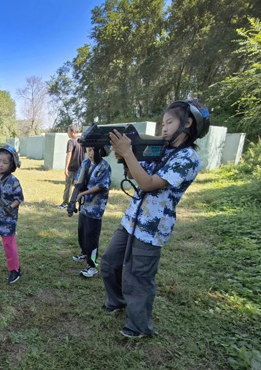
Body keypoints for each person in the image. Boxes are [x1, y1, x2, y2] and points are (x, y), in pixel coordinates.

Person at [101, 100, 210, 338]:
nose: (164, 128)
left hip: (153, 228)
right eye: (163, 123)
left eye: (169, 122)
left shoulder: (188, 158)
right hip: (131, 220)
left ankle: (139, 326)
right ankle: (118, 301)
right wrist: (123, 156)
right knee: (109, 263)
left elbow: (149, 183)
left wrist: (129, 152)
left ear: (188, 123)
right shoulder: (160, 148)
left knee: (138, 277)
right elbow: (136, 173)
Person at [0, 144, 24, 283]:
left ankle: (15, 270)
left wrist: (9, 208)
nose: (0, 164)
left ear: (11, 164)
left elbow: (19, 198)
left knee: (9, 245)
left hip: (8, 221)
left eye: (5, 162)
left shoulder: (13, 181)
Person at [71, 146, 112, 278]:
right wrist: (78, 188)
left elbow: (100, 185)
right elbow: (78, 178)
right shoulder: (86, 163)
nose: (90, 153)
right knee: (82, 232)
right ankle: (84, 253)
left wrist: (83, 193)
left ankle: (92, 265)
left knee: (92, 237)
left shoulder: (104, 166)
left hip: (95, 208)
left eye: (93, 150)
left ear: (100, 151)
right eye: (88, 150)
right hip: (84, 207)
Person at [58, 124, 85, 209]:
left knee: (68, 186)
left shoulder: (71, 141)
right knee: (79, 186)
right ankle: (79, 203)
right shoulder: (82, 141)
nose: (67, 133)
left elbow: (69, 154)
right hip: (81, 168)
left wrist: (66, 167)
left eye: (68, 131)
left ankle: (65, 203)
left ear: (73, 132)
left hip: (72, 168)